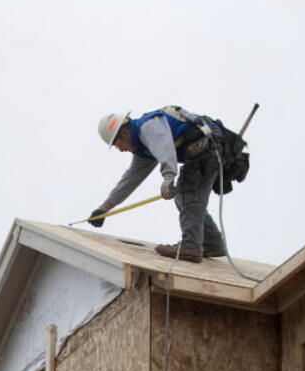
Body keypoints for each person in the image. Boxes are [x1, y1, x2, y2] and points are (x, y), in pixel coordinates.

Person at [87, 107, 231, 263]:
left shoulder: (148, 126)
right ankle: (211, 242)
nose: (120, 150)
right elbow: (130, 180)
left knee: (187, 195)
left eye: (117, 144)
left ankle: (191, 247)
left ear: (124, 133)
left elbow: (164, 146)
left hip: (209, 146)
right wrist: (104, 208)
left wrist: (168, 176)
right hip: (207, 148)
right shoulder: (143, 147)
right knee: (184, 197)